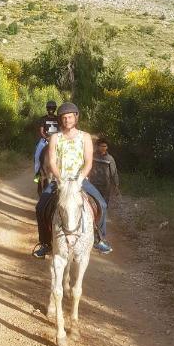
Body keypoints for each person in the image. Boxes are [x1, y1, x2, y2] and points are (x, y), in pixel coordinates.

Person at [33, 102, 113, 257]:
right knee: (40, 207)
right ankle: (45, 243)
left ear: (76, 117)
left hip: (80, 180)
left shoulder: (85, 137)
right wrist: (59, 178)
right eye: (63, 117)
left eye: (70, 117)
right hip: (60, 181)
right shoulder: (55, 138)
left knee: (101, 204)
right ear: (60, 119)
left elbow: (88, 162)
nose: (67, 120)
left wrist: (80, 178)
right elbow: (51, 162)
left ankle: (99, 239)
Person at [33, 100, 59, 182]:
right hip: (45, 140)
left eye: (52, 108)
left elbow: (60, 130)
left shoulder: (58, 119)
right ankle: (37, 174)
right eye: (49, 108)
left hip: (56, 141)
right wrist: (47, 138)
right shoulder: (43, 119)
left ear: (54, 109)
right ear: (47, 109)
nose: (51, 110)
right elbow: (41, 131)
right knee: (37, 155)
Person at [89, 138, 120, 206]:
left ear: (107, 147)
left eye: (105, 146)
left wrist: (116, 185)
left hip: (105, 186)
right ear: (98, 146)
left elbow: (114, 172)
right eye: (101, 146)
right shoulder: (92, 156)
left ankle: (103, 216)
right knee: (93, 203)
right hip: (93, 184)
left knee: (104, 204)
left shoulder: (110, 159)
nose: (103, 148)